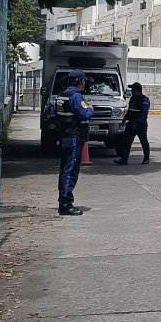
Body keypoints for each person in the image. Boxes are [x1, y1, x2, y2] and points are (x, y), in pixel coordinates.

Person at [56, 69, 93, 216]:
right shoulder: (76, 96)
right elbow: (85, 113)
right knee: (70, 171)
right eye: (83, 80)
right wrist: (90, 108)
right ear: (79, 81)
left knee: (64, 170)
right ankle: (66, 204)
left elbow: (54, 115)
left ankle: (63, 201)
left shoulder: (61, 95)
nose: (84, 83)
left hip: (64, 136)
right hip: (73, 137)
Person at [116, 82, 151, 165]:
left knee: (143, 141)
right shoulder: (132, 98)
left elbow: (144, 113)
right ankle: (124, 159)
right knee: (126, 141)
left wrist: (137, 122)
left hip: (140, 124)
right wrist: (124, 120)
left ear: (136, 90)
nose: (131, 90)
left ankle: (146, 158)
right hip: (131, 123)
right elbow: (130, 111)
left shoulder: (144, 99)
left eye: (133, 89)